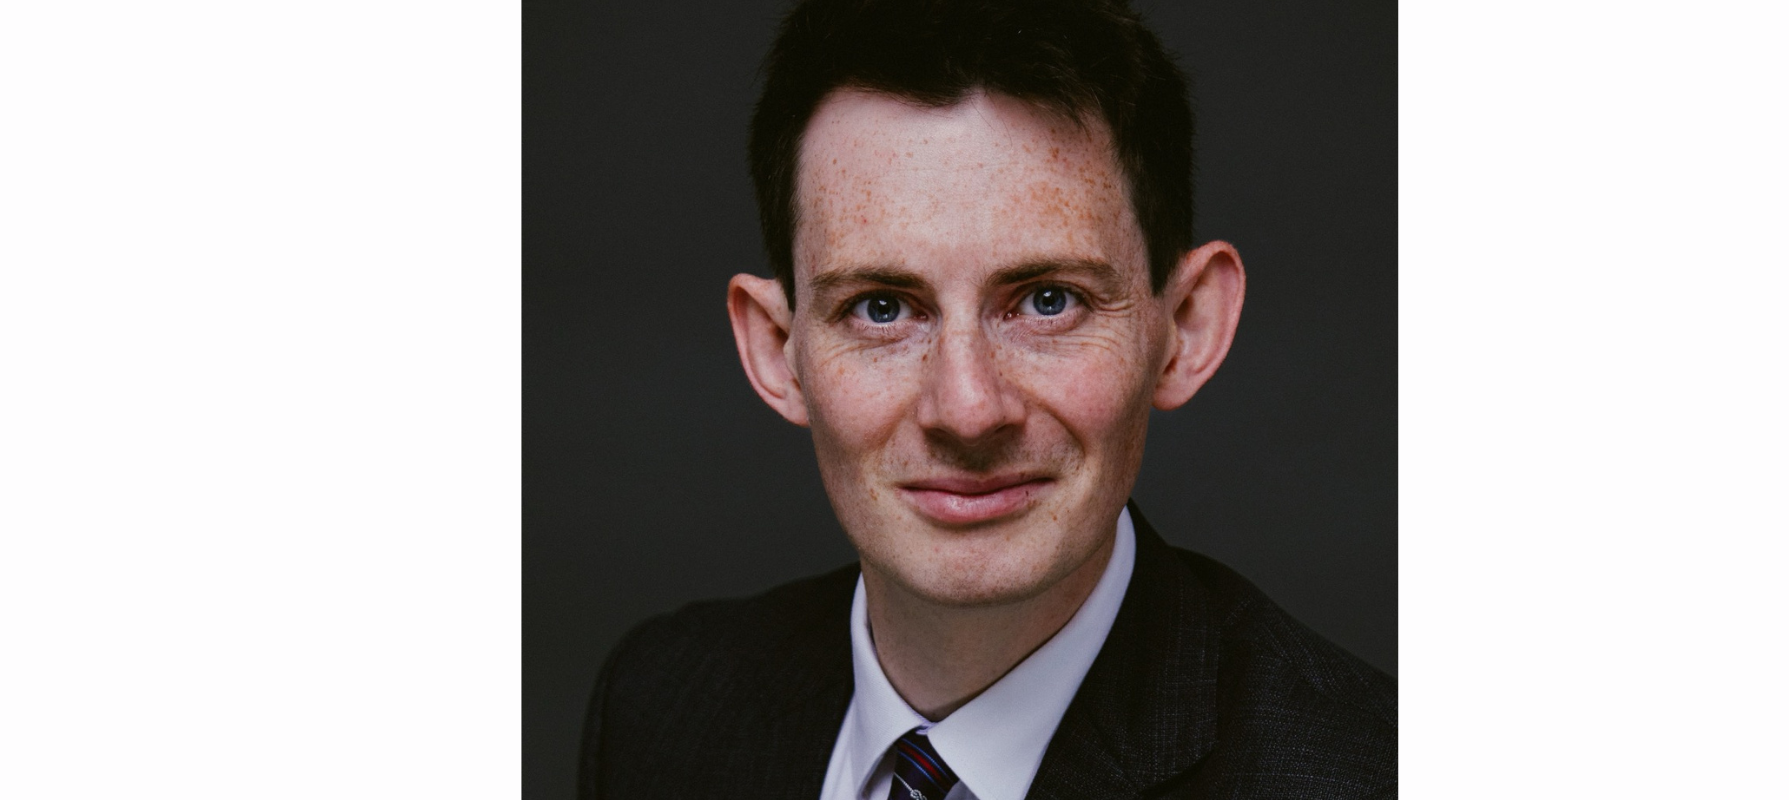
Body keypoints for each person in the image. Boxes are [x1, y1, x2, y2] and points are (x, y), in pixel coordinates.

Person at [578, 0, 1395, 797]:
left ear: (1184, 326)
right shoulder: (661, 711)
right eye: (881, 308)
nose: (968, 411)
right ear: (775, 350)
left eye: (1048, 301)